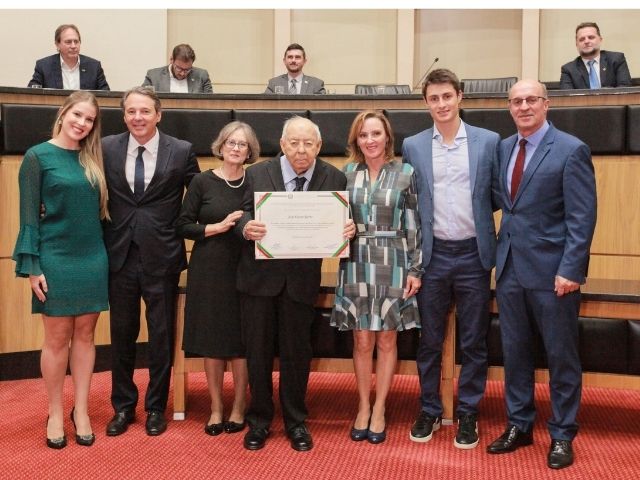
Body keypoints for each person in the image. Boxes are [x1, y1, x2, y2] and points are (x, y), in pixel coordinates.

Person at [486, 79, 597, 470]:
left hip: (554, 275)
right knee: (515, 354)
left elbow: (582, 218)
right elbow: (505, 204)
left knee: (561, 356)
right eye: (516, 101)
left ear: (546, 104)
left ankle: (563, 434)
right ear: (510, 107)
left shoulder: (571, 150)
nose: (523, 106)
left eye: (531, 99)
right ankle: (519, 424)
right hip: (512, 269)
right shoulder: (503, 148)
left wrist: (571, 269)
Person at [236, 116, 354, 452]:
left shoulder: (334, 177)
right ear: (282, 144)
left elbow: (341, 222)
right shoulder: (257, 172)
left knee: (296, 354)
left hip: (301, 282)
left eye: (309, 144)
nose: (301, 150)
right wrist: (246, 227)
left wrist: (348, 230)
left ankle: (296, 422)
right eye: (294, 143)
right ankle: (258, 421)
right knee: (257, 353)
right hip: (258, 281)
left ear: (318, 146)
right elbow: (241, 214)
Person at [403, 68, 500, 449]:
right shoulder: (412, 145)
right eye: (433, 98)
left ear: (461, 96)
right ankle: (429, 408)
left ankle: (468, 412)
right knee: (429, 340)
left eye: (447, 96)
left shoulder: (488, 142)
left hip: (474, 255)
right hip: (434, 255)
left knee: (474, 341)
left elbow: (494, 195)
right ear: (426, 103)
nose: (441, 104)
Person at [12, 91, 110, 449]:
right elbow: (28, 218)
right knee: (56, 340)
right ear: (64, 112)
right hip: (54, 258)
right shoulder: (37, 156)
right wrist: (33, 267)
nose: (82, 123)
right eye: (78, 115)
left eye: (89, 120)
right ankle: (55, 411)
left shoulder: (93, 158)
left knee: (85, 337)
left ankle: (80, 410)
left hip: (93, 257)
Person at [102, 86, 200, 437]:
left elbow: (199, 198)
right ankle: (123, 406)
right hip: (120, 255)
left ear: (158, 114)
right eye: (131, 111)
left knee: (161, 336)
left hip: (163, 256)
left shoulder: (183, 151)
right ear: (124, 115)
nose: (138, 118)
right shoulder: (106, 147)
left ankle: (156, 406)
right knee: (122, 335)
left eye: (145, 111)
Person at [330, 110, 422, 445]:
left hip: (393, 260)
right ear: (356, 140)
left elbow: (414, 224)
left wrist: (415, 269)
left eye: (376, 134)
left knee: (386, 340)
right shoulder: (347, 173)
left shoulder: (406, 173)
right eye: (364, 135)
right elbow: (335, 217)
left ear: (387, 138)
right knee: (361, 341)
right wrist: (343, 229)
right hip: (355, 260)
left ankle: (381, 407)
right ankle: (363, 406)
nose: (370, 140)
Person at [175, 121, 259, 436]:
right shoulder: (201, 181)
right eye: (231, 143)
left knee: (240, 343)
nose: (236, 148)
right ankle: (215, 408)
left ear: (250, 151)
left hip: (247, 268)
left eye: (243, 144)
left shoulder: (256, 180)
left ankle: (238, 407)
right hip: (209, 269)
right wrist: (217, 227)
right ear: (220, 146)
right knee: (212, 342)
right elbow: (183, 225)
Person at [28, 24, 110, 91]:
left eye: (76, 41)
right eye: (68, 42)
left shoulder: (94, 66)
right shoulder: (44, 66)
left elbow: (106, 96)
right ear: (57, 44)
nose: (73, 46)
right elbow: (32, 92)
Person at [560, 22, 631, 89]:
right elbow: (567, 96)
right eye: (582, 39)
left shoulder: (616, 59)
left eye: (591, 37)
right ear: (576, 44)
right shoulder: (568, 69)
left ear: (600, 40)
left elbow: (624, 88)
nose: (586, 41)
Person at [142, 43, 213, 94]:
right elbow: (144, 100)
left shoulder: (202, 76)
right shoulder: (153, 76)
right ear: (171, 60)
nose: (182, 73)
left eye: (187, 70)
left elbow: (210, 104)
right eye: (179, 68)